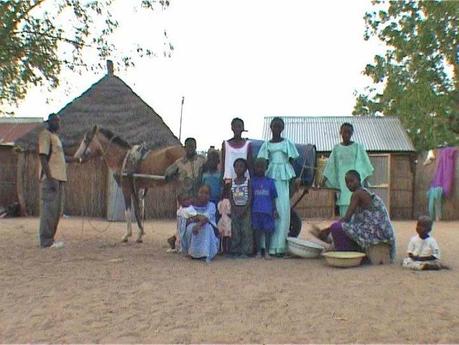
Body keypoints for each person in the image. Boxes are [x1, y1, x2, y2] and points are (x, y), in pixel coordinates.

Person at [310, 170, 396, 262]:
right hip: (381, 233)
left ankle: (346, 253)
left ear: (359, 180)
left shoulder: (358, 194)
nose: (349, 184)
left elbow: (347, 218)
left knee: (336, 228)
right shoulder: (364, 192)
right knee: (344, 228)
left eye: (352, 181)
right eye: (347, 182)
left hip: (376, 233)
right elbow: (353, 221)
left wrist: (327, 230)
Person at [38, 113, 82, 248]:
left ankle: (50, 239)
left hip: (59, 178)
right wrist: (50, 178)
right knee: (49, 210)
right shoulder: (45, 135)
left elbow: (62, 158)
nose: (58, 124)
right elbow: (43, 157)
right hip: (52, 179)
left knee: (56, 211)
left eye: (59, 121)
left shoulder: (55, 138)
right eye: (56, 121)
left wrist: (76, 159)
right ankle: (46, 241)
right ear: (50, 122)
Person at [257, 117, 299, 256]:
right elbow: (262, 161)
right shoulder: (266, 145)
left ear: (282, 128)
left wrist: (293, 181)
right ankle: (267, 246)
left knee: (283, 210)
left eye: (279, 126)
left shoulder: (287, 143)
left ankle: (280, 246)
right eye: (274, 126)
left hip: (283, 179)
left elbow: (293, 160)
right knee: (269, 210)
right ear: (270, 127)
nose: (276, 128)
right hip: (271, 179)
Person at [322, 122, 374, 217]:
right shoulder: (336, 148)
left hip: (355, 181)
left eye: (349, 132)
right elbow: (330, 166)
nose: (346, 135)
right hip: (343, 181)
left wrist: (365, 181)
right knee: (344, 207)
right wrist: (323, 180)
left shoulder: (358, 147)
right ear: (340, 132)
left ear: (352, 133)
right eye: (344, 132)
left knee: (357, 206)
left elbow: (364, 165)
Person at [165, 137, 206, 249]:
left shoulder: (201, 160)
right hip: (185, 198)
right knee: (184, 221)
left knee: (197, 220)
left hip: (198, 197)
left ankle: (190, 243)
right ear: (185, 148)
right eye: (188, 147)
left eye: (193, 146)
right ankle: (179, 242)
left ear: (196, 147)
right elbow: (167, 174)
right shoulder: (179, 163)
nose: (191, 149)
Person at [181, 184, 219, 262]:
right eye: (201, 192)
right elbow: (187, 218)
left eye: (206, 193)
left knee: (206, 227)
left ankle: (205, 253)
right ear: (197, 193)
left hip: (208, 229)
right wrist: (198, 218)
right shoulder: (190, 205)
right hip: (193, 227)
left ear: (210, 195)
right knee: (190, 227)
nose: (203, 195)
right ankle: (192, 253)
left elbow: (206, 218)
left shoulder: (212, 205)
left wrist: (198, 222)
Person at [251, 158, 278, 259]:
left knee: (268, 232)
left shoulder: (270, 182)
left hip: (268, 211)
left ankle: (267, 252)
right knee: (257, 232)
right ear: (254, 168)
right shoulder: (252, 182)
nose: (259, 169)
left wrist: (274, 210)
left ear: (266, 168)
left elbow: (273, 197)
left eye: (262, 167)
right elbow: (251, 197)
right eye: (257, 167)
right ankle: (258, 251)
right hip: (255, 211)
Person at [229, 158, 253, 257]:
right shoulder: (232, 182)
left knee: (246, 230)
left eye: (241, 166)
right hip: (235, 209)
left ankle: (246, 251)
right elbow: (230, 196)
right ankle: (235, 250)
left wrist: (245, 208)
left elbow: (250, 196)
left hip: (245, 210)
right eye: (237, 166)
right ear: (234, 168)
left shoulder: (248, 182)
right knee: (235, 230)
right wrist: (234, 207)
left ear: (245, 169)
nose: (239, 168)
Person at [222, 118, 251, 183]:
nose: (237, 129)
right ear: (232, 128)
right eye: (235, 126)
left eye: (239, 126)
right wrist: (222, 178)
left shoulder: (248, 144)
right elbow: (223, 164)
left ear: (243, 128)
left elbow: (249, 164)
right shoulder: (225, 144)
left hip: (244, 180)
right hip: (229, 179)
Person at [217, 184, 232, 254]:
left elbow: (219, 212)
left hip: (221, 220)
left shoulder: (220, 202)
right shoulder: (229, 202)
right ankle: (228, 250)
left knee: (223, 237)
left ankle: (222, 250)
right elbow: (229, 212)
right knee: (228, 236)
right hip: (228, 221)